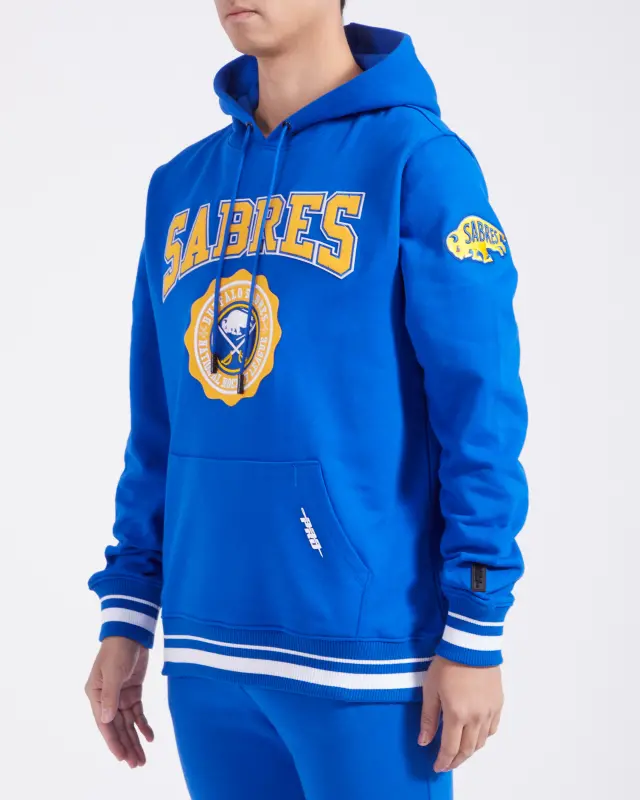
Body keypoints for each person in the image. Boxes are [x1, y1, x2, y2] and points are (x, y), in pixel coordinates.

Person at [85, 1, 528, 798]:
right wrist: (129, 610)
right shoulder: (178, 187)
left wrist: (476, 623)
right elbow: (156, 424)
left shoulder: (419, 162)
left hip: (366, 657)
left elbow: (479, 410)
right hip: (205, 653)